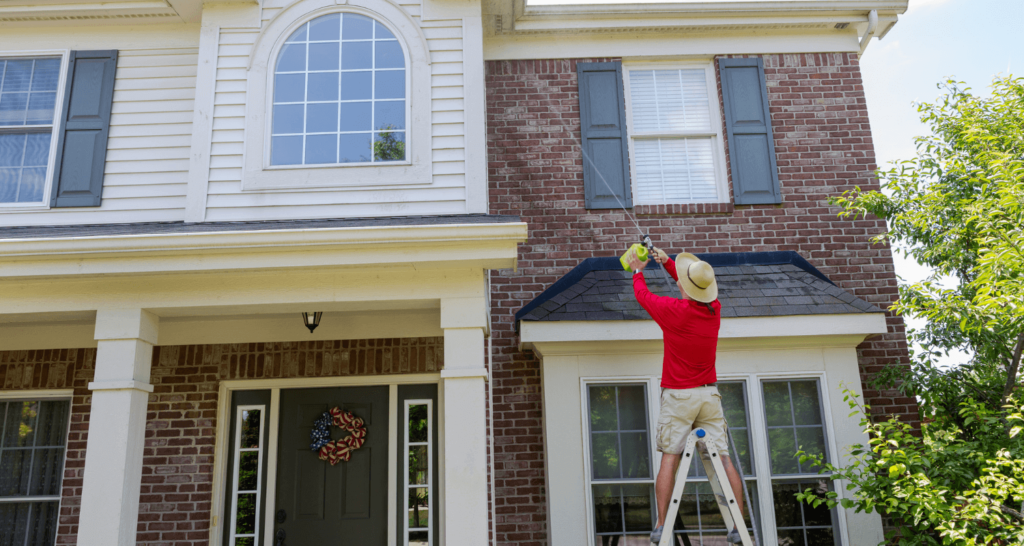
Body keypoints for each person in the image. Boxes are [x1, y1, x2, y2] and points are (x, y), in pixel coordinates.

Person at [626, 247, 747, 545]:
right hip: (709, 397)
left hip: (680, 398)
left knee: (671, 456)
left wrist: (637, 270)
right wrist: (666, 261)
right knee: (725, 459)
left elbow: (643, 296)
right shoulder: (713, 309)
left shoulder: (674, 312)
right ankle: (737, 525)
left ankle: (661, 523)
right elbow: (690, 285)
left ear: (684, 287)